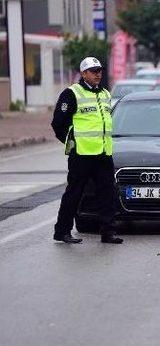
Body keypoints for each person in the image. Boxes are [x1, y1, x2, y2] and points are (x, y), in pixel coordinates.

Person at [50, 57, 123, 244]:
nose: (98, 74)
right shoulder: (71, 93)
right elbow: (58, 123)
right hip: (81, 155)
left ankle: (108, 232)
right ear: (83, 74)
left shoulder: (106, 94)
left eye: (99, 70)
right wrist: (71, 143)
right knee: (74, 194)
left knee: (107, 194)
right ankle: (62, 231)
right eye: (93, 71)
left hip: (103, 154)